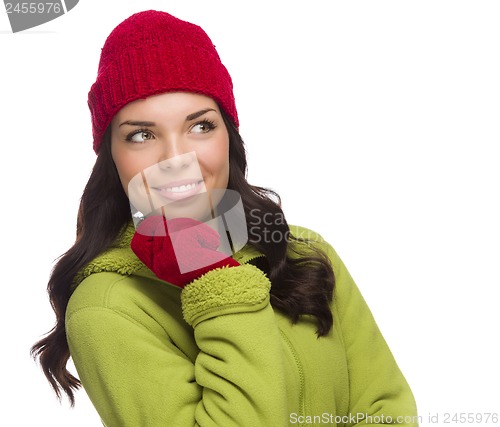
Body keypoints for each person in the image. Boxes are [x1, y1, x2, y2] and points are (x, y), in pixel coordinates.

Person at [31, 9, 419, 426]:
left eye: (200, 126)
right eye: (142, 134)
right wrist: (212, 277)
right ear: (112, 156)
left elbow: (388, 409)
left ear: (228, 138)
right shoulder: (106, 307)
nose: (176, 158)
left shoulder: (304, 252)